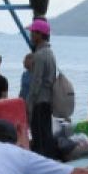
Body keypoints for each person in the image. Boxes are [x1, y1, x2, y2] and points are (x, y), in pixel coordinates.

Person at [25, 19, 58, 159]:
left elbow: (36, 82)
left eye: (33, 32)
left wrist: (29, 104)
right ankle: (51, 161)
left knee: (39, 138)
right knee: (46, 134)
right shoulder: (50, 53)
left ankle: (41, 166)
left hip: (39, 101)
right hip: (48, 100)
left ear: (39, 34)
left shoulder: (39, 56)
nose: (31, 35)